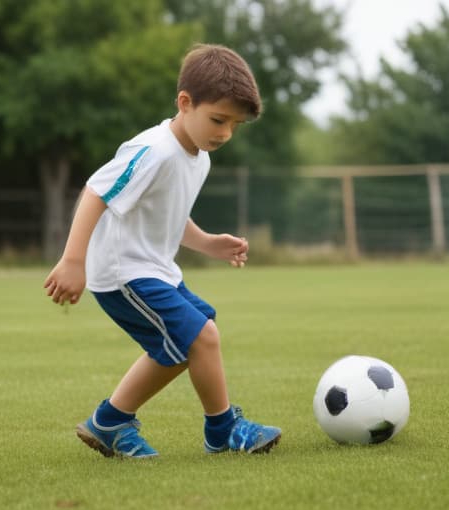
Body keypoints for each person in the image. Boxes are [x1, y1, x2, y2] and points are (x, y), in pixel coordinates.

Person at [44, 43, 281, 458]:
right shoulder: (154, 150)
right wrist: (73, 260)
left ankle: (111, 422)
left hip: (155, 270)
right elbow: (96, 192)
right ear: (185, 103)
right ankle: (223, 431)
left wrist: (207, 242)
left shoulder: (199, 156)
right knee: (200, 337)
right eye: (218, 119)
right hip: (123, 274)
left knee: (190, 340)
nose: (225, 132)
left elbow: (170, 216)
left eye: (235, 125)